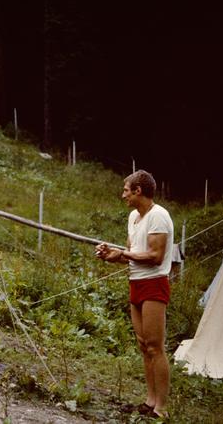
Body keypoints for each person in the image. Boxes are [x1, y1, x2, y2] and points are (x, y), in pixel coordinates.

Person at [95, 170, 173, 419]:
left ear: (138, 191)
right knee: (143, 345)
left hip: (154, 283)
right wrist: (112, 255)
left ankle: (161, 408)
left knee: (155, 347)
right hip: (136, 282)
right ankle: (150, 401)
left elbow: (155, 257)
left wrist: (124, 254)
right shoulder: (133, 217)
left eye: (126, 190)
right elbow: (132, 254)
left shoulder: (158, 216)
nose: (123, 195)